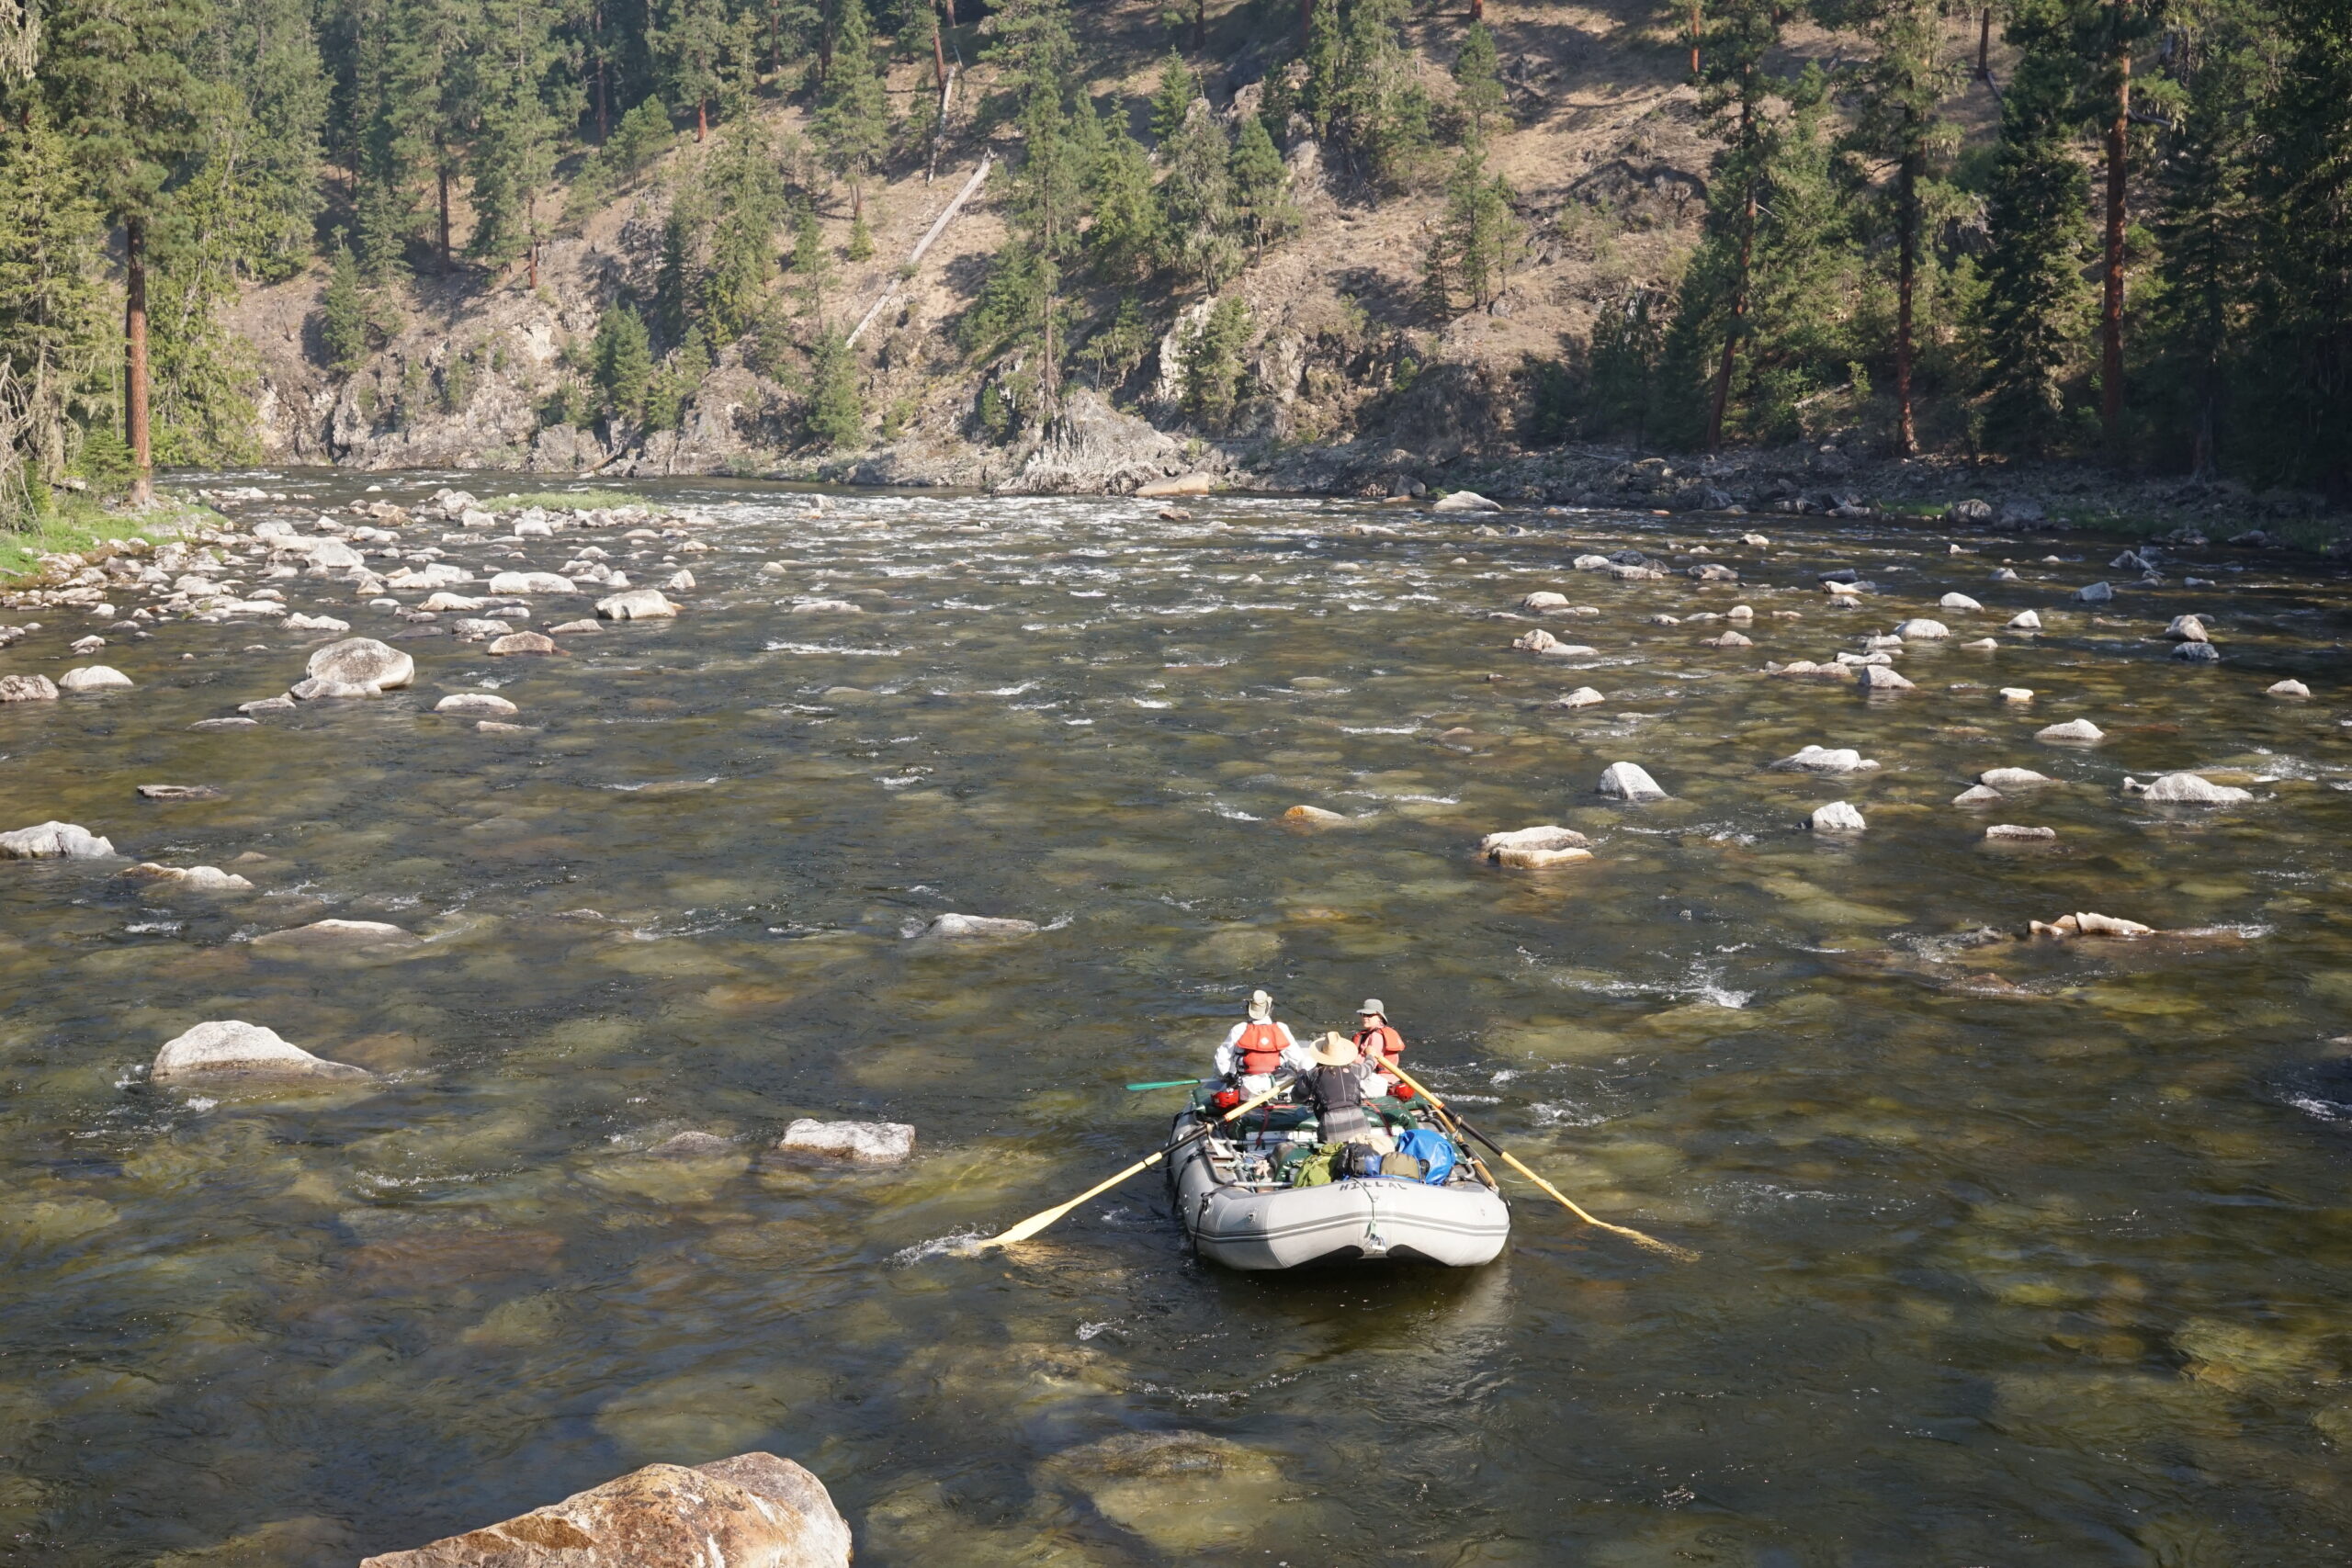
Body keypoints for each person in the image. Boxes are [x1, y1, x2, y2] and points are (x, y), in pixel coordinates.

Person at [1214, 989, 1306, 1095]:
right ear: (1269, 1008)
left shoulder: (1239, 1029)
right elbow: (1297, 1059)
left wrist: (1226, 1076)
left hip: (1246, 1085)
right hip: (1276, 1084)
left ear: (1248, 1008)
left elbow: (1221, 1058)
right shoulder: (1282, 1028)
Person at [1301, 1032, 1376, 1146]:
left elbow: (1298, 1096)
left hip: (1331, 1127)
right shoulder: (1355, 1069)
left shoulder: (1312, 1074)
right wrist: (1370, 1055)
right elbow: (1368, 1067)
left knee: (1330, 1154)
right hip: (1359, 1123)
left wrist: (1301, 1077)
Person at [1352, 998, 1405, 1094]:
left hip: (1379, 1082)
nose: (1365, 1017)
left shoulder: (1376, 1036)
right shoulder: (1371, 1033)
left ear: (1380, 1017)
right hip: (1385, 1080)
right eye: (1363, 1014)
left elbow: (1371, 1064)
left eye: (1369, 1015)